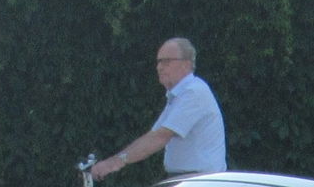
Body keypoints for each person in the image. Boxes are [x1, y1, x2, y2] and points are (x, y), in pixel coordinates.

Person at [92, 36, 226, 179]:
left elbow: (160, 137)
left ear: (186, 65)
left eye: (166, 62)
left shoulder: (194, 92)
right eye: (159, 62)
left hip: (200, 183)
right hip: (189, 181)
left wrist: (114, 163)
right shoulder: (179, 95)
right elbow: (154, 134)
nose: (159, 67)